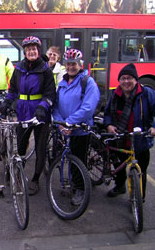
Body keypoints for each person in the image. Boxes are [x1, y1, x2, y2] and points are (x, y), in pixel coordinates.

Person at [0, 36, 55, 195]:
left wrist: (43, 107)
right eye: (28, 49)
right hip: (23, 112)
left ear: (38, 51)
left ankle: (36, 179)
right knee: (21, 145)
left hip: (40, 114)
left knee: (40, 147)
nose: (31, 51)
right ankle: (18, 171)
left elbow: (50, 94)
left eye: (34, 48)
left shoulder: (45, 70)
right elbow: (13, 91)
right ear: (24, 51)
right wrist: (6, 103)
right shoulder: (19, 69)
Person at [104, 63, 155, 200]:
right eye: (123, 79)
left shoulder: (147, 94)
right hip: (120, 138)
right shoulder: (115, 94)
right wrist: (109, 125)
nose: (126, 81)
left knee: (141, 171)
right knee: (119, 167)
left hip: (140, 140)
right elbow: (107, 112)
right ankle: (119, 186)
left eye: (129, 78)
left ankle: (138, 199)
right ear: (119, 80)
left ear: (136, 80)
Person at [52, 48, 100, 205]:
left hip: (80, 129)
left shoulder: (88, 82)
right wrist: (61, 124)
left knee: (79, 160)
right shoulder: (63, 83)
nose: (71, 67)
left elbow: (88, 108)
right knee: (69, 158)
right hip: (65, 128)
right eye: (68, 64)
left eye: (74, 64)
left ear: (80, 64)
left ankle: (80, 189)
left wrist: (70, 122)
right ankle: (74, 183)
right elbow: (56, 106)